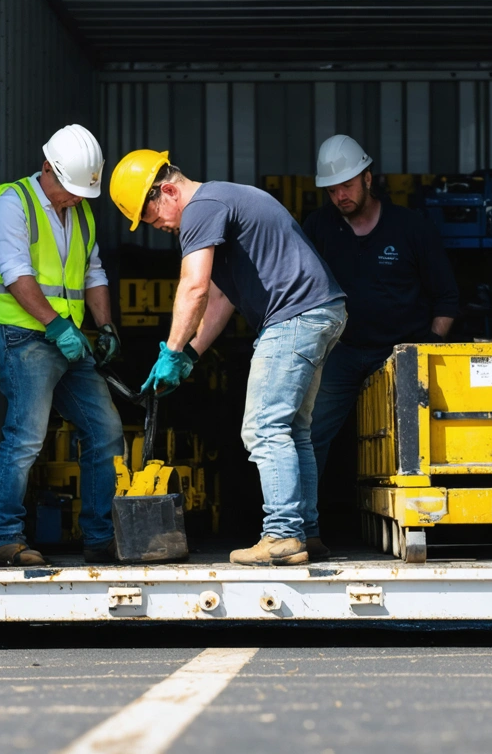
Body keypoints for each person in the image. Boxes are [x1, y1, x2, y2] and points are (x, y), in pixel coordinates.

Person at [108, 150, 346, 566]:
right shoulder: (222, 203)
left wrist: (171, 350)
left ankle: (283, 534)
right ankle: (306, 532)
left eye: (152, 217)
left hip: (294, 316)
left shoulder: (201, 207)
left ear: (166, 191)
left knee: (264, 427)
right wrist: (192, 355)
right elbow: (220, 297)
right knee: (295, 429)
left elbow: (194, 287)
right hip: (320, 311)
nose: (159, 227)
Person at [0, 125, 125, 567]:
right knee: (26, 438)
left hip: (68, 338)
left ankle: (100, 537)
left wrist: (106, 327)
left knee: (106, 432)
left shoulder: (80, 213)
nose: (76, 199)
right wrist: (57, 327)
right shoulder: (9, 205)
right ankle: (3, 537)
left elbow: (93, 273)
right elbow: (16, 273)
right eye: (71, 190)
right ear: (46, 170)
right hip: (20, 335)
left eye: (82, 193)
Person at [302, 134, 460, 543]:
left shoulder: (411, 228)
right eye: (332, 190)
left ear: (368, 178)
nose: (340, 196)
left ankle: (420, 527)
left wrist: (424, 349)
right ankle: (303, 529)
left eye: (347, 186)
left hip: (399, 355)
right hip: (339, 350)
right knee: (311, 432)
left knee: (410, 442)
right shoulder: (318, 227)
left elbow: (447, 298)